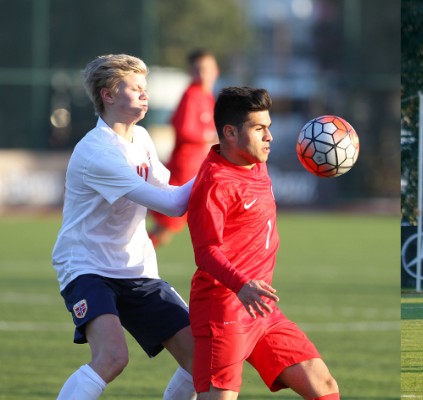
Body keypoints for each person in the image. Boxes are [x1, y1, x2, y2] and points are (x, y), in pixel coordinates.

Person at [52, 54, 196, 399]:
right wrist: (219, 163)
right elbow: (175, 206)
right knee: (113, 358)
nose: (144, 95)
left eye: (145, 88)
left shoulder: (142, 138)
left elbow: (171, 191)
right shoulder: (97, 151)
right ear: (108, 95)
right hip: (87, 267)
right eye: (135, 88)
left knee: (204, 360)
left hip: (136, 268)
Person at [186, 86, 340, 399]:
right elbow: (205, 252)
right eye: (259, 129)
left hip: (261, 308)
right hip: (223, 308)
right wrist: (241, 284)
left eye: (268, 127)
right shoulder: (215, 182)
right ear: (230, 132)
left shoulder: (257, 162)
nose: (269, 136)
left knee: (323, 387)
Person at [149, 49, 219, 246]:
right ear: (191, 72)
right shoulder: (192, 95)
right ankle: (123, 263)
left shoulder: (206, 97)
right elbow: (183, 129)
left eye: (206, 69)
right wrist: (212, 136)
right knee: (165, 228)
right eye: (198, 70)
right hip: (185, 171)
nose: (202, 74)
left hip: (199, 170)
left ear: (216, 71)